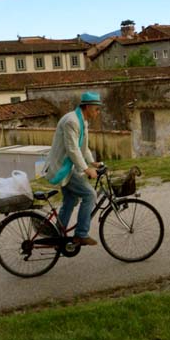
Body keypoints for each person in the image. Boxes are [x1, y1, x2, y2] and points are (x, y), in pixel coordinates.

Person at [43, 91, 103, 246]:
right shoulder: (72, 121)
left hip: (69, 167)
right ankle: (81, 234)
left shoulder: (82, 120)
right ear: (88, 107)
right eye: (97, 109)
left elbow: (82, 146)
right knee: (90, 195)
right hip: (62, 168)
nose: (98, 112)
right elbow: (72, 149)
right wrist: (86, 169)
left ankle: (57, 234)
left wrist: (92, 162)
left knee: (71, 200)